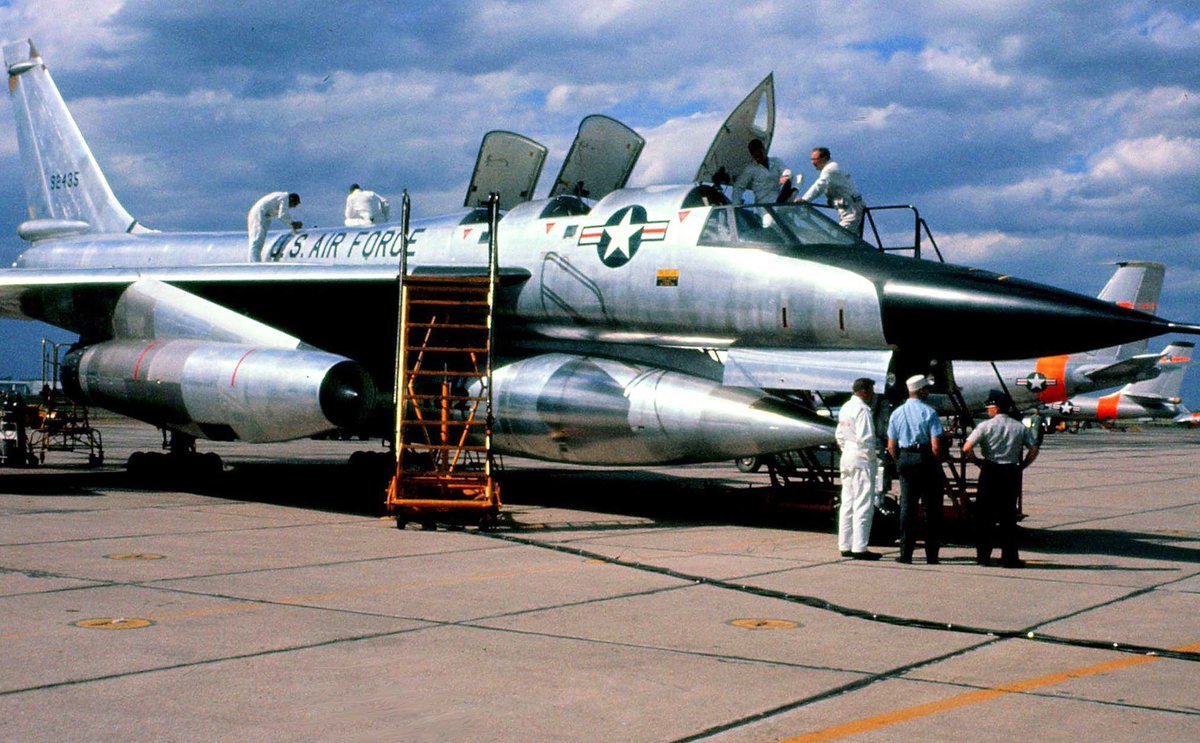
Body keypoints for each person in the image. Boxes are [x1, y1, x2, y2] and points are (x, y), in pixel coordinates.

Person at [962, 391, 1039, 568]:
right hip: (1010, 472)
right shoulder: (1019, 427)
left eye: (989, 407)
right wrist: (1023, 465)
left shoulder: (985, 426)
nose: (988, 410)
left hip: (990, 470)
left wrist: (977, 462)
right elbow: (1034, 449)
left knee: (984, 517)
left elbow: (967, 448)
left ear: (996, 408)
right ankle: (1009, 558)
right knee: (1008, 517)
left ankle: (983, 557)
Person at [886, 374, 945, 564]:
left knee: (907, 507)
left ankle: (906, 554)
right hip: (926, 458)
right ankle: (932, 555)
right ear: (921, 391)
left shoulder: (897, 413)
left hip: (905, 458)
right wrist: (936, 462)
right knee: (931, 509)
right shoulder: (929, 413)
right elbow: (936, 445)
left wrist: (900, 461)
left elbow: (891, 446)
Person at [836, 377, 881, 560]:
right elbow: (866, 439)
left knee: (847, 502)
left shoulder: (846, 407)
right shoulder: (862, 409)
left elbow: (839, 435)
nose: (872, 394)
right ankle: (860, 546)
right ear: (863, 391)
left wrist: (847, 450)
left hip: (847, 454)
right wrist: (872, 459)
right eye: (870, 390)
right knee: (863, 502)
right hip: (861, 457)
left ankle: (845, 544)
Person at [796, 147, 865, 235]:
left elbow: (819, 186)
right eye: (811, 159)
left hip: (851, 210)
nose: (812, 162)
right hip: (848, 208)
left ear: (824, 158)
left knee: (840, 237)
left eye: (814, 159)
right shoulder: (833, 167)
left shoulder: (830, 169)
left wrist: (804, 200)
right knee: (849, 238)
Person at [730, 139, 790, 204]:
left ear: (763, 149)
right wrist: (736, 204)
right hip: (764, 205)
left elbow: (786, 170)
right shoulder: (750, 169)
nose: (759, 158)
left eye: (760, 155)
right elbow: (738, 186)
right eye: (756, 157)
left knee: (798, 177)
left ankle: (792, 200)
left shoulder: (776, 161)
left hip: (779, 198)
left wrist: (785, 176)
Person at [248, 191, 300, 262]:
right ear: (291, 199)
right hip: (260, 214)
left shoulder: (281, 196)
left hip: (264, 214)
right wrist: (293, 223)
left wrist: (292, 225)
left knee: (259, 240)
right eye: (293, 204)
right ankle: (254, 263)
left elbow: (283, 215)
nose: (291, 207)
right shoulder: (284, 198)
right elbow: (282, 215)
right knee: (257, 239)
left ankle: (254, 261)